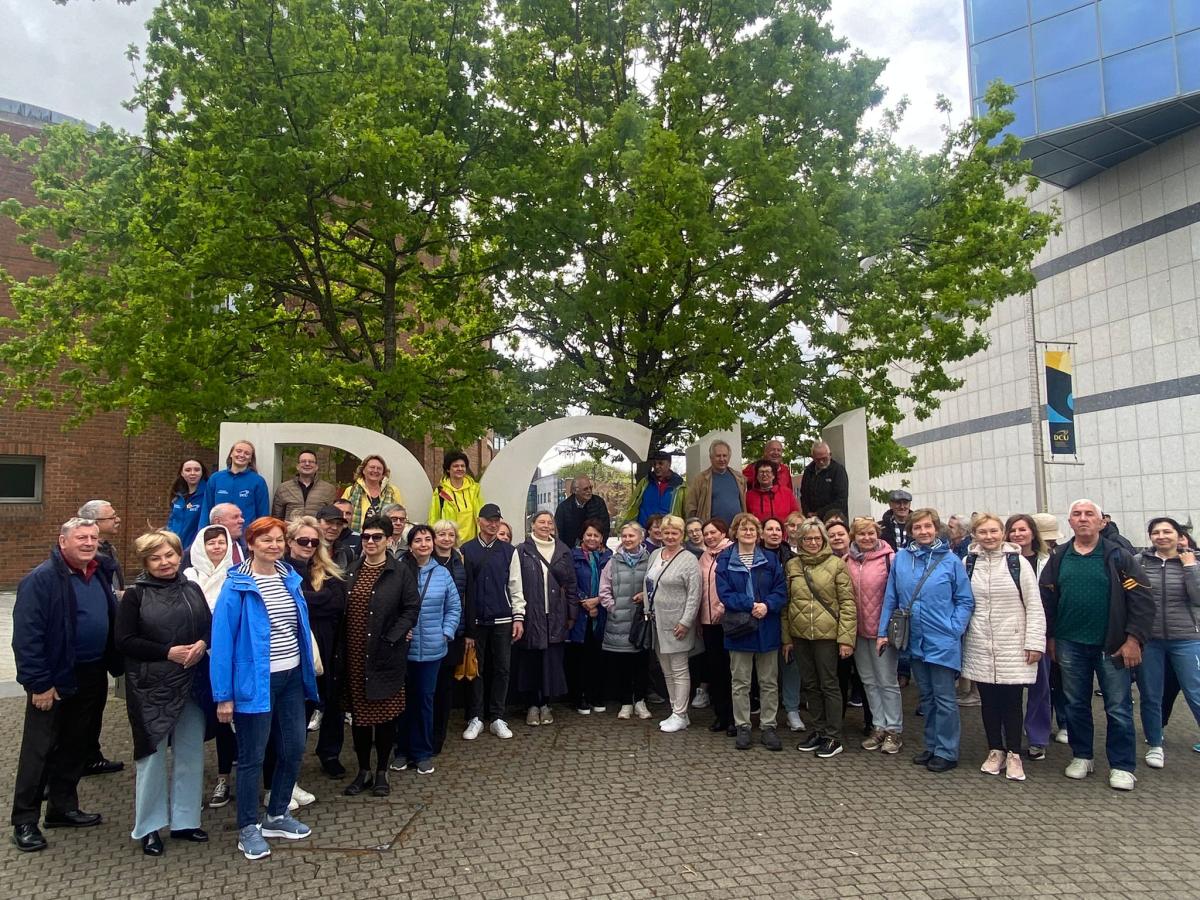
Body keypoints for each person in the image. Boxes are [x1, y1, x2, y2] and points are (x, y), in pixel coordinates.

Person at [211, 516, 320, 860]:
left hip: (289, 678)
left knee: (293, 748)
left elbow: (298, 627)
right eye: (266, 540)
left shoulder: (290, 577)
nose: (273, 546)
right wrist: (223, 695)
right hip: (254, 682)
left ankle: (276, 815)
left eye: (278, 540)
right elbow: (223, 641)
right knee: (252, 758)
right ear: (251, 543)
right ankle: (247, 827)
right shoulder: (237, 584)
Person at [10, 518, 122, 853]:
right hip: (54, 679)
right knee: (40, 750)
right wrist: (39, 684)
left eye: (93, 537)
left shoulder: (98, 571)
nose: (89, 543)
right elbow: (27, 638)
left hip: (91, 674)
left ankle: (61, 808)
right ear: (63, 541)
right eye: (81, 538)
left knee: (75, 744)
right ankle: (24, 821)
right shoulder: (41, 579)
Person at [1039, 499, 1153, 791]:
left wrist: (1133, 639)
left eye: (1090, 514)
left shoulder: (1119, 556)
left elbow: (1141, 600)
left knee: (1117, 707)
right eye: (1077, 514)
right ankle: (1082, 755)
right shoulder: (1060, 557)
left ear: (1102, 522)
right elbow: (1048, 600)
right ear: (1070, 522)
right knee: (1075, 703)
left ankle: (1122, 765)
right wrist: (1050, 637)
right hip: (1069, 643)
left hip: (1112, 644)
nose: (1083, 518)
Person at [116, 530, 212, 855]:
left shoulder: (192, 588)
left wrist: (203, 643)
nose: (165, 562)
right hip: (151, 688)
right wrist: (167, 652)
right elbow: (124, 641)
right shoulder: (135, 596)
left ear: (178, 555)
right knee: (152, 759)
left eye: (169, 555)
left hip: (190, 684)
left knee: (190, 753)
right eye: (156, 558)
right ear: (146, 562)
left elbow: (208, 625)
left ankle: (186, 821)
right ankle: (149, 827)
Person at [878, 507, 974, 773]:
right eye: (917, 527)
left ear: (936, 528)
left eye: (927, 527)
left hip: (942, 637)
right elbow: (891, 597)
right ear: (911, 531)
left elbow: (965, 599)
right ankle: (931, 745)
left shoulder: (951, 560)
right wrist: (883, 631)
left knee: (944, 697)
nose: (923, 531)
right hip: (914, 637)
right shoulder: (901, 559)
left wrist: (954, 628)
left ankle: (947, 750)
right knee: (927, 696)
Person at [340, 517, 421, 796]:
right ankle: (363, 770)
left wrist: (393, 637)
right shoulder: (352, 570)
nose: (371, 542)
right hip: (354, 656)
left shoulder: (400, 572)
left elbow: (411, 608)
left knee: (385, 717)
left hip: (385, 654)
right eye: (366, 537)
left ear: (388, 540)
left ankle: (382, 771)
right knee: (360, 718)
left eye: (377, 537)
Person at [961, 513, 1045, 782]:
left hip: (1013, 642)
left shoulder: (1017, 562)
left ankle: (1014, 754)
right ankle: (994, 750)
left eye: (994, 531)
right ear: (975, 535)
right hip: (980, 642)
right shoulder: (968, 562)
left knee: (1011, 702)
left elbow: (1034, 605)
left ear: (1002, 533)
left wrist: (1034, 642)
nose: (989, 537)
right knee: (988, 702)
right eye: (983, 532)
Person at [781, 518, 856, 758]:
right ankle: (818, 729)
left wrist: (846, 639)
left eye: (817, 538)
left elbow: (847, 603)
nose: (812, 542)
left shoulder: (836, 564)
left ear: (823, 540)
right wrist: (787, 638)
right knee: (810, 685)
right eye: (807, 538)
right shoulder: (793, 565)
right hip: (800, 634)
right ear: (800, 541)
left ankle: (833, 736)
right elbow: (787, 604)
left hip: (827, 635)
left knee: (829, 684)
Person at [716, 513, 788, 750]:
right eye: (743, 529)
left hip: (767, 627)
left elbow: (781, 589)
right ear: (735, 533)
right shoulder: (725, 560)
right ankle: (743, 726)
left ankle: (768, 726)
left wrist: (767, 605)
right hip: (739, 629)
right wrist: (750, 605)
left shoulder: (770, 559)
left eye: (753, 529)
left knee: (768, 682)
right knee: (740, 682)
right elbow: (724, 593)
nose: (748, 533)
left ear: (758, 534)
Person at [1133, 517, 1200, 770]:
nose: (1161, 536)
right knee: (1151, 694)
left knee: (1195, 692)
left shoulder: (1192, 561)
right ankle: (1155, 743)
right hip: (1149, 640)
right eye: (1156, 532)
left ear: (1178, 535)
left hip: (1187, 639)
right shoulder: (1140, 562)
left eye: (1167, 532)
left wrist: (1191, 567)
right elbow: (1133, 595)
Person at [394, 525, 461, 775]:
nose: (423, 544)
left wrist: (445, 632)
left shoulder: (442, 573)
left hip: (433, 650)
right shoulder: (399, 571)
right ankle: (401, 751)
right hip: (403, 650)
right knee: (402, 702)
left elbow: (454, 607)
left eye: (427, 540)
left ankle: (422, 753)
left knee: (424, 701)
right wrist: (400, 630)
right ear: (409, 545)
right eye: (418, 540)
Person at [283, 516, 347, 777]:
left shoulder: (326, 568)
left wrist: (307, 600)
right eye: (302, 540)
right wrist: (317, 599)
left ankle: (330, 753)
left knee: (332, 704)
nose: (308, 545)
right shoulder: (281, 570)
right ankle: (291, 762)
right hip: (296, 650)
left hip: (329, 647)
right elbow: (290, 604)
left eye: (313, 541)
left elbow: (337, 603)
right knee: (299, 708)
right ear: (290, 542)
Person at [460, 503, 526, 740]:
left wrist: (519, 616)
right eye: (489, 519)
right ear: (479, 521)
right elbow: (462, 590)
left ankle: (498, 716)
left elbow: (516, 586)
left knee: (502, 668)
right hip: (475, 621)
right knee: (476, 669)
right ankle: (475, 716)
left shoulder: (509, 551)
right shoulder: (466, 550)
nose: (493, 523)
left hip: (503, 619)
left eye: (497, 519)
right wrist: (465, 625)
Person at [75, 499, 126, 777]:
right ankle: (58, 772)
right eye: (112, 517)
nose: (117, 520)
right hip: (82, 654)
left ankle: (91, 756)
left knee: (95, 706)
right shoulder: (86, 556)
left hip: (105, 641)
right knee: (76, 713)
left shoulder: (109, 549)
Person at [514, 511, 578, 726]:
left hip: (556, 615)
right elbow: (515, 585)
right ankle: (532, 704)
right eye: (541, 522)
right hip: (532, 615)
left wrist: (571, 613)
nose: (545, 525)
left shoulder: (563, 551)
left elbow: (571, 585)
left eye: (549, 522)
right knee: (532, 661)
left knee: (552, 663)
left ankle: (546, 705)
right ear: (532, 525)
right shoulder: (522, 551)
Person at [845, 517, 902, 754]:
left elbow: (898, 594)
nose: (866, 538)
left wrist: (886, 629)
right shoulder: (845, 560)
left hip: (882, 631)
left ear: (877, 534)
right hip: (857, 631)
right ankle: (878, 726)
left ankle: (894, 730)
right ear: (854, 537)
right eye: (861, 534)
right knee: (868, 681)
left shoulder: (890, 559)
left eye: (871, 533)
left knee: (887, 681)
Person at [1005, 513, 1057, 760]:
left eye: (1023, 529)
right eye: (1013, 530)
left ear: (1033, 533)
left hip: (1039, 629)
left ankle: (1037, 737)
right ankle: (1009, 735)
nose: (1018, 534)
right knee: (1009, 688)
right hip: (1008, 630)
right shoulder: (1002, 559)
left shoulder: (1049, 560)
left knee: (1040, 686)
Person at [644, 515, 701, 732]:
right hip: (656, 621)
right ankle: (675, 710)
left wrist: (686, 621)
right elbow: (648, 583)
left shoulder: (689, 559)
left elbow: (694, 594)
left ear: (681, 535)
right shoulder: (656, 555)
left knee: (679, 669)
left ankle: (681, 713)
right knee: (666, 670)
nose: (669, 536)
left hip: (677, 623)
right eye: (666, 532)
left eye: (674, 533)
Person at [598, 523, 652, 719]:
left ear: (640, 538)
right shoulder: (613, 561)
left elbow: (655, 585)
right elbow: (604, 588)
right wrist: (612, 607)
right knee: (623, 665)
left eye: (631, 536)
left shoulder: (650, 560)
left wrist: (645, 597)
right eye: (624, 536)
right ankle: (626, 703)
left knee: (641, 663)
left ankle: (640, 701)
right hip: (618, 621)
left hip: (641, 621)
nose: (627, 539)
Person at [428, 519, 470, 756]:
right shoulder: (424, 560)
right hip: (428, 631)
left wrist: (468, 632)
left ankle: (438, 735)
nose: (446, 539)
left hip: (454, 632)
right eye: (441, 534)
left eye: (450, 535)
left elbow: (468, 595)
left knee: (445, 686)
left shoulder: (461, 560)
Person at [567, 521, 611, 714]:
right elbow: (568, 583)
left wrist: (598, 601)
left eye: (596, 535)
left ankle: (597, 695)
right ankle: (580, 697)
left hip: (602, 614)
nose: (592, 539)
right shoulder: (571, 555)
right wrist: (586, 602)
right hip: (580, 615)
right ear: (582, 536)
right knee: (579, 658)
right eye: (589, 535)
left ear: (602, 538)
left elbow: (614, 583)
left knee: (599, 657)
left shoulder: (609, 558)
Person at [697, 518, 734, 733]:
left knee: (731, 671)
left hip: (727, 620)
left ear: (723, 533)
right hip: (707, 621)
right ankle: (720, 715)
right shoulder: (703, 556)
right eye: (706, 533)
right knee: (716, 671)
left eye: (713, 532)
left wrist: (722, 606)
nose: (710, 537)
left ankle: (733, 718)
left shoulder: (731, 553)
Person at [199, 439, 270, 529]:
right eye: (238, 451)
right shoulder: (215, 478)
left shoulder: (258, 481)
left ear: (250, 459)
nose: (242, 455)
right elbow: (206, 509)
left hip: (246, 536)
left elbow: (263, 514)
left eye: (247, 453)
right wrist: (202, 533)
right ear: (231, 454)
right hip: (219, 535)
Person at [428, 450, 484, 545]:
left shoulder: (475, 489)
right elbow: (434, 518)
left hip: (472, 544)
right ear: (448, 469)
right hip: (449, 545)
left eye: (462, 466)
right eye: (455, 466)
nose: (460, 468)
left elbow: (482, 515)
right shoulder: (440, 491)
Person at [685, 439, 746, 524]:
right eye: (718, 456)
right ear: (711, 457)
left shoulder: (739, 478)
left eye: (725, 456)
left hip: (736, 529)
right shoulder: (700, 479)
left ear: (729, 457)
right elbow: (691, 507)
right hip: (712, 532)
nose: (722, 459)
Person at [342, 455, 403, 534]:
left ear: (383, 473)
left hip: (384, 538)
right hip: (356, 537)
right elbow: (341, 514)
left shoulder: (393, 491)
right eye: (372, 467)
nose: (375, 470)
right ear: (363, 470)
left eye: (379, 468)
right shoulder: (351, 491)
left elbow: (402, 515)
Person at [271, 449, 337, 521]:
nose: (307, 464)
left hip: (317, 531)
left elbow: (332, 517)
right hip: (291, 531)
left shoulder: (328, 489)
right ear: (297, 466)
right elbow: (276, 518)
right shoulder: (283, 488)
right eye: (303, 461)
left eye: (311, 462)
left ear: (316, 467)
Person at [624, 451, 685, 528]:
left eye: (660, 463)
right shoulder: (645, 483)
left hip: (669, 532)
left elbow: (685, 511)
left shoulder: (680, 486)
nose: (656, 467)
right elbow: (632, 505)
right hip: (645, 531)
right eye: (654, 464)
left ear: (669, 464)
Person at [555, 475, 611, 548]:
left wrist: (602, 544)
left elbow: (605, 526)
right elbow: (558, 532)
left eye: (590, 488)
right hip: (571, 550)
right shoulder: (563, 507)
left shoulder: (598, 503)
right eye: (585, 489)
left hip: (596, 548)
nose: (589, 491)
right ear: (575, 490)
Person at [798, 441, 849, 521]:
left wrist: (819, 513)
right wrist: (807, 512)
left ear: (830, 455)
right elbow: (803, 495)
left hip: (834, 519)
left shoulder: (838, 471)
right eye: (818, 459)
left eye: (824, 459)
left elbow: (841, 500)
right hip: (812, 519)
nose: (821, 462)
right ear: (813, 457)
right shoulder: (808, 471)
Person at [167, 459, 209, 549]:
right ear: (182, 473)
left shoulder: (208, 494)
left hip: (195, 549)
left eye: (197, 470)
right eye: (188, 470)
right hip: (175, 547)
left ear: (202, 472)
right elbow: (172, 521)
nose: (192, 473)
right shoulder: (178, 496)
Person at [318, 504, 361, 570]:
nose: (335, 527)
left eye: (339, 524)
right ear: (317, 523)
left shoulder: (347, 553)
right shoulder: (307, 548)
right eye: (329, 522)